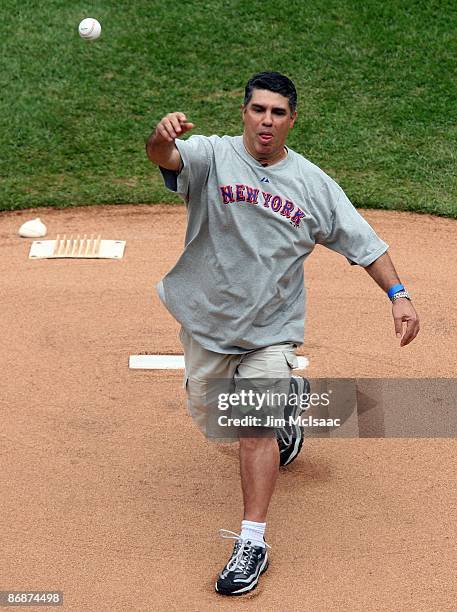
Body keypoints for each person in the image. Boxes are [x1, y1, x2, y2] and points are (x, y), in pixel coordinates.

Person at [145, 71, 420, 596]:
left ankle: (252, 540)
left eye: (277, 112)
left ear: (292, 119)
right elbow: (164, 156)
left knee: (253, 427)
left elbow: (364, 243)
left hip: (272, 329)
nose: (266, 120)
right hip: (207, 320)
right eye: (258, 110)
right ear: (243, 113)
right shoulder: (211, 155)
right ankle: (293, 407)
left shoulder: (314, 185)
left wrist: (398, 294)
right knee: (215, 418)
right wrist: (162, 134)